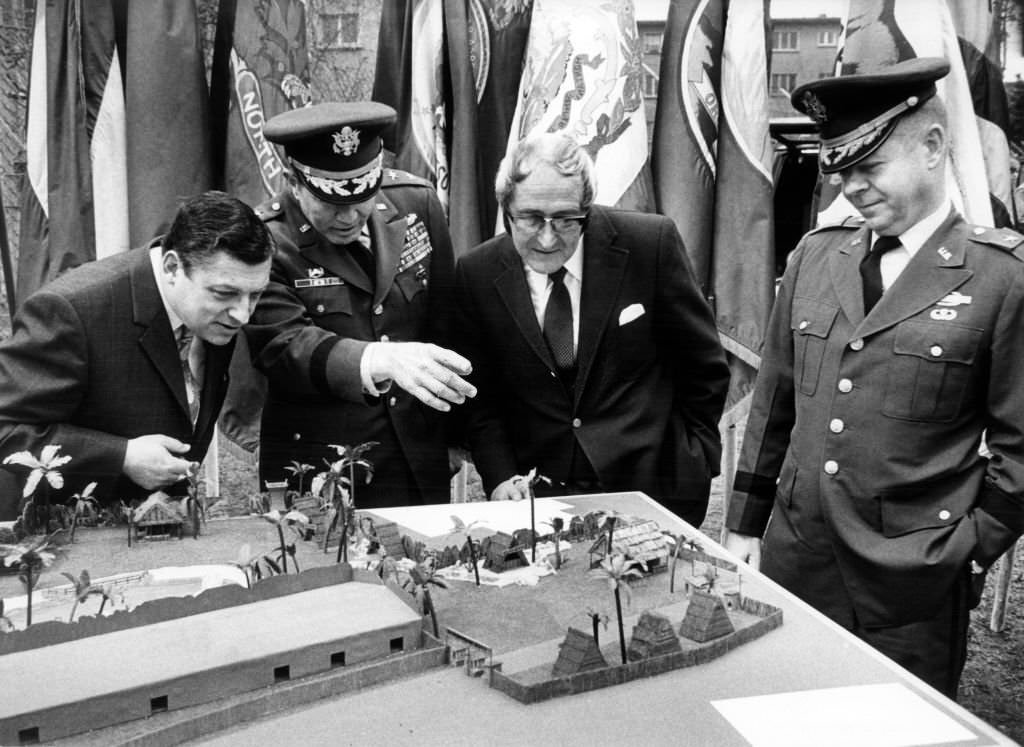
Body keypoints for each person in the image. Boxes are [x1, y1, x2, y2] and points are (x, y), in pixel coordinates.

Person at [723, 58, 1024, 699]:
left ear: (934, 148)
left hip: (911, 583)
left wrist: (967, 548)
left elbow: (1020, 447)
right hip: (797, 560)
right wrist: (746, 527)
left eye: (869, 167)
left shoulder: (1000, 277)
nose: (852, 188)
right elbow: (775, 403)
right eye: (841, 170)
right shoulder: (813, 256)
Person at [453, 131, 729, 526]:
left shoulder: (650, 245)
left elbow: (704, 367)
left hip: (655, 491)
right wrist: (500, 477)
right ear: (506, 209)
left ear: (587, 209)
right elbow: (481, 399)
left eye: (566, 220)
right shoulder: (477, 273)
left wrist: (696, 459)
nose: (547, 238)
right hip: (537, 502)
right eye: (530, 219)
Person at [246, 102, 475, 509]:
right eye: (331, 204)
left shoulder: (416, 203)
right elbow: (284, 345)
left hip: (417, 457)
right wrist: (378, 359)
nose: (350, 216)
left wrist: (454, 437)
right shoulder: (266, 241)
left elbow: (447, 324)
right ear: (293, 183)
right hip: (321, 469)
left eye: (364, 197)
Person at [0, 191, 275, 518]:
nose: (242, 315)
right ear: (173, 267)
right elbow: (7, 430)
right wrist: (121, 457)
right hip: (64, 532)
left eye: (255, 295)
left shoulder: (213, 301)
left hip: (161, 525)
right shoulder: (69, 311)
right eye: (224, 294)